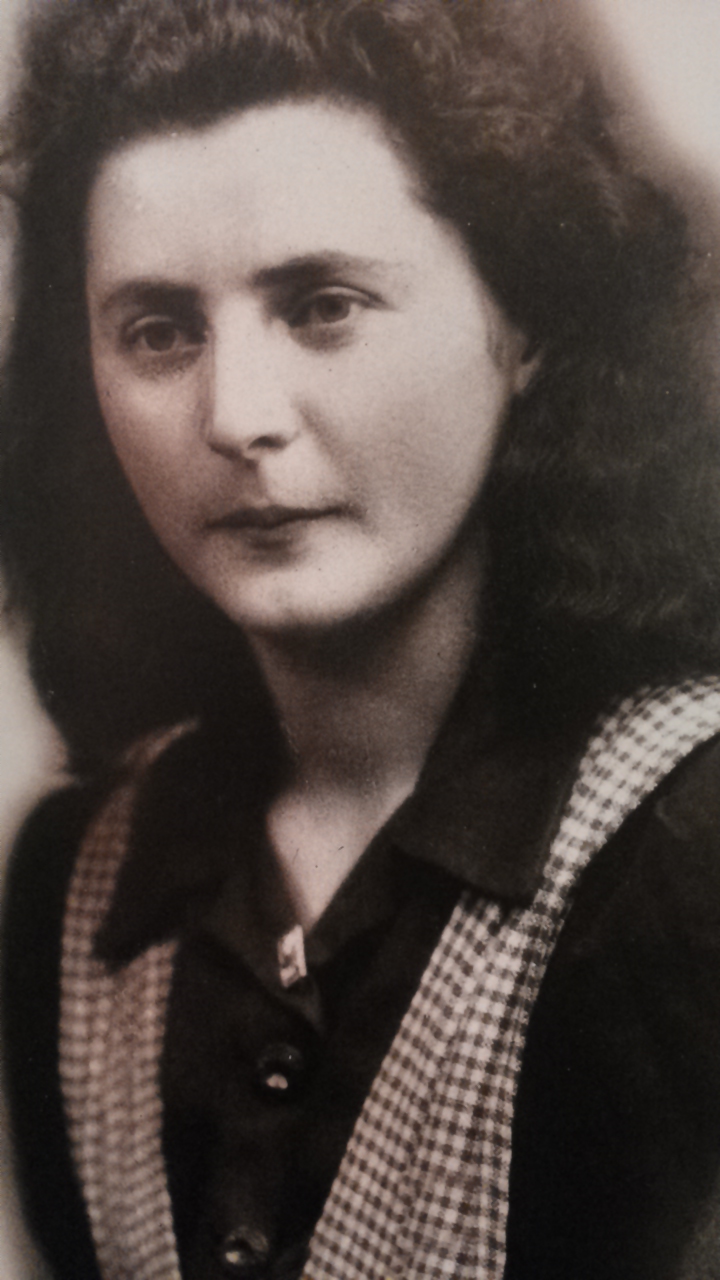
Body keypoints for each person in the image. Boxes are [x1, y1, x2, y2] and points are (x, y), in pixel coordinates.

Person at [2, 1, 720, 1277]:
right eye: (160, 330)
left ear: (526, 323)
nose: (237, 416)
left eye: (324, 305)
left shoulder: (687, 860)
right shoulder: (75, 888)